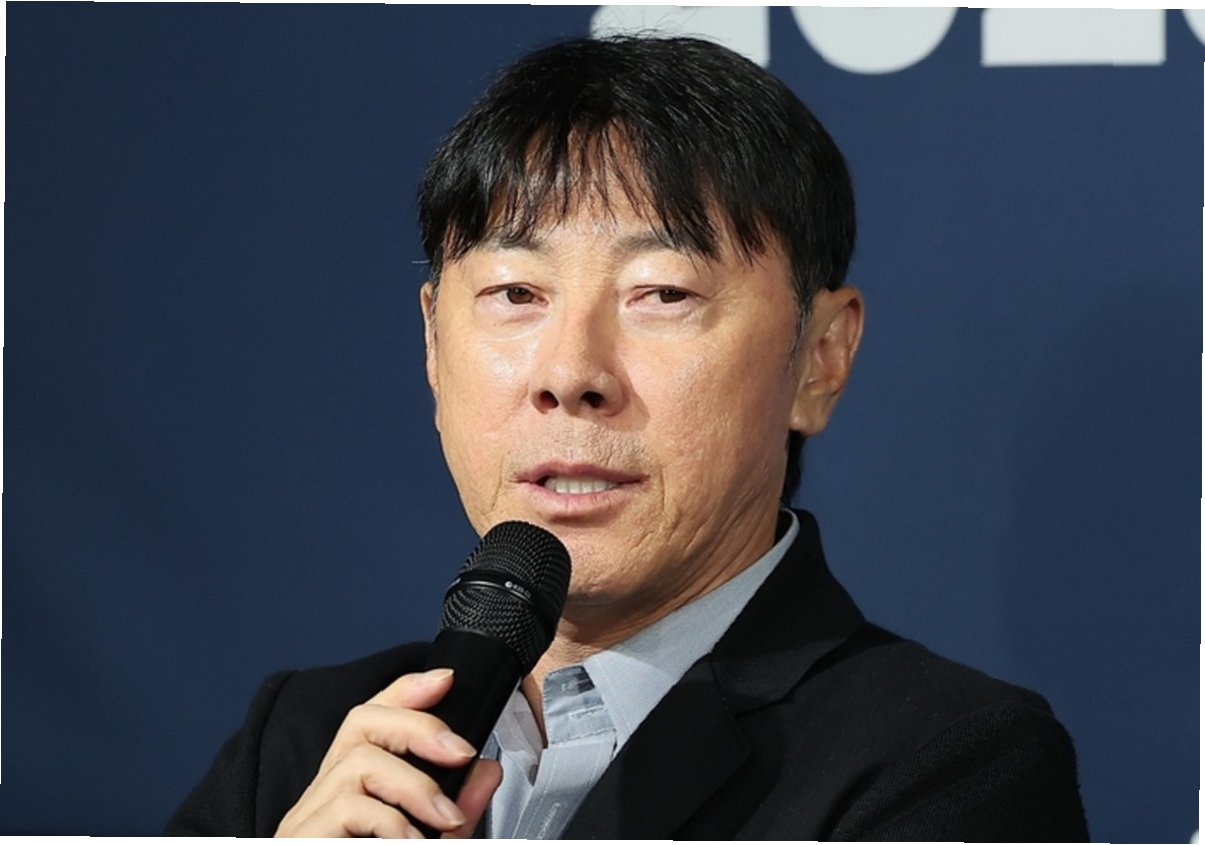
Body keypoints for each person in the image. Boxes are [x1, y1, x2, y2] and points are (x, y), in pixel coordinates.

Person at [166, 35, 1089, 840]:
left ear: (819, 357)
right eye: (515, 294)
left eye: (662, 293)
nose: (571, 372)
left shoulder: (946, 762)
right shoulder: (301, 748)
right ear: (433, 347)